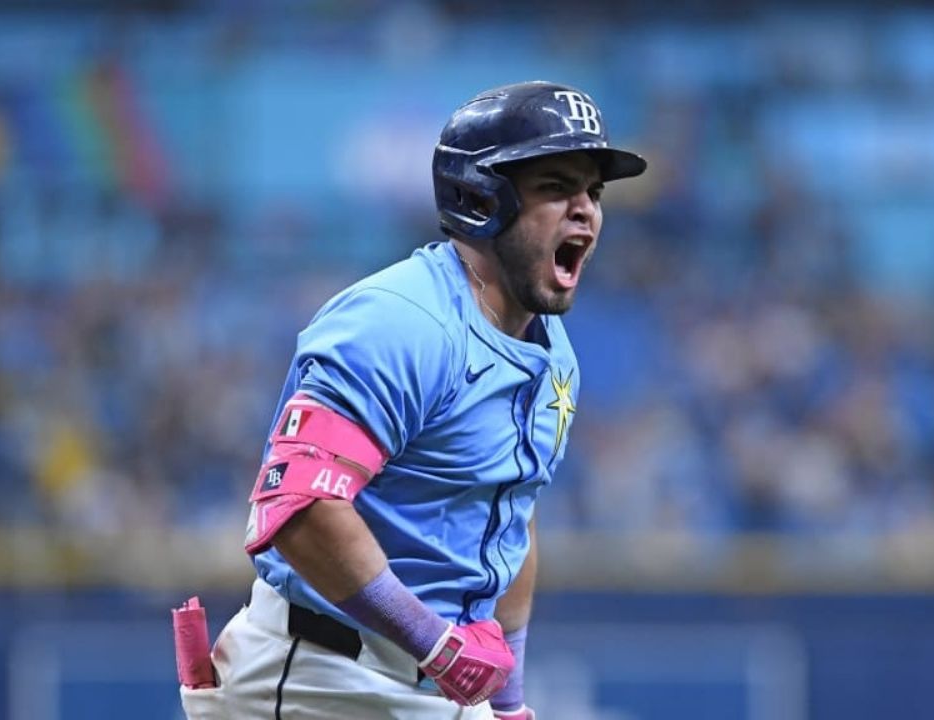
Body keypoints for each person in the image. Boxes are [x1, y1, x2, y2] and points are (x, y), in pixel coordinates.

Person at [178, 80, 647, 720]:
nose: (586, 209)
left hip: (428, 682)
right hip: (324, 675)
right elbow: (300, 505)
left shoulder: (551, 350)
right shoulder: (400, 321)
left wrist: (507, 702)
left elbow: (510, 513)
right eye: (555, 186)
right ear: (483, 197)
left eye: (593, 191)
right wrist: (435, 646)